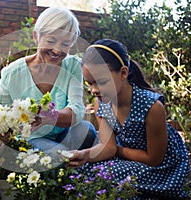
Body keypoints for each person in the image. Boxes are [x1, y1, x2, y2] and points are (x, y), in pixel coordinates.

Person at [0, 7, 97, 155]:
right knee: (59, 154)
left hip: (64, 133)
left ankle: (79, 167)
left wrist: (49, 116)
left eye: (65, 44)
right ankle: (68, 167)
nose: (57, 50)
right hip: (31, 138)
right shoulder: (12, 73)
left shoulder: (72, 65)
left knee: (87, 131)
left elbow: (77, 110)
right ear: (36, 36)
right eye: (51, 41)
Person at [68, 38, 190, 198]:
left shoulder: (152, 107)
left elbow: (153, 159)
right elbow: (107, 146)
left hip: (161, 168)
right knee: (85, 170)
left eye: (101, 82)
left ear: (123, 73)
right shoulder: (101, 104)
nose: (94, 90)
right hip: (127, 160)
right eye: (89, 83)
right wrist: (85, 154)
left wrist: (116, 150)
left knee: (106, 173)